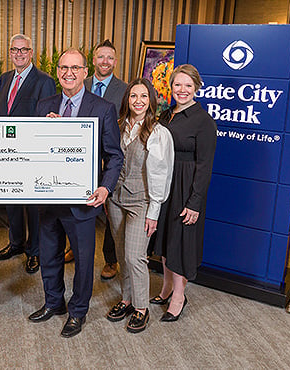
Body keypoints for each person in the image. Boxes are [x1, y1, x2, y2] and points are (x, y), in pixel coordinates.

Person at [29, 49, 123, 338]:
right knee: (49, 254)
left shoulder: (103, 108)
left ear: (85, 72)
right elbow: (32, 146)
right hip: (48, 197)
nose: (68, 73)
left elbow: (115, 156)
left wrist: (106, 187)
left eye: (75, 68)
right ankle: (53, 302)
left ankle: (78, 311)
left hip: (83, 202)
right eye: (63, 68)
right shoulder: (44, 105)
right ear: (57, 71)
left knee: (83, 259)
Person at [105, 78, 174, 333]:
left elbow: (162, 174)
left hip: (141, 201)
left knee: (135, 256)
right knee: (123, 253)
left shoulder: (158, 133)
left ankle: (141, 307)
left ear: (151, 100)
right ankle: (126, 298)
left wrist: (154, 211)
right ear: (127, 99)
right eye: (134, 96)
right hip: (115, 199)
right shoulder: (119, 126)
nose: (138, 101)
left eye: (143, 96)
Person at [150, 64, 217, 321]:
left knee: (180, 242)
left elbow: (205, 166)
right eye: (177, 85)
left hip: (186, 187)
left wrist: (195, 203)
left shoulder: (203, 121)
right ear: (171, 87)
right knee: (166, 239)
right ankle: (167, 287)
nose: (182, 90)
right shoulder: (165, 116)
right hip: (164, 183)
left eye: (188, 85)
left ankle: (179, 295)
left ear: (196, 88)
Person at [0, 34, 56, 274]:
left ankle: (35, 251)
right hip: (7, 150)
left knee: (32, 204)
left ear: (31, 53)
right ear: (10, 53)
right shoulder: (4, 78)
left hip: (32, 153)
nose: (19, 54)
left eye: (24, 50)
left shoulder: (44, 81)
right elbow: (2, 114)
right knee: (11, 200)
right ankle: (16, 242)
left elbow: (46, 119)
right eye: (14, 50)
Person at [83, 39, 128, 280]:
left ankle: (110, 259)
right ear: (93, 60)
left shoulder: (125, 89)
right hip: (81, 158)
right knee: (78, 203)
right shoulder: (82, 83)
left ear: (115, 61)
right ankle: (73, 247)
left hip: (110, 156)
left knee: (111, 209)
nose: (105, 62)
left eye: (110, 58)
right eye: (101, 57)